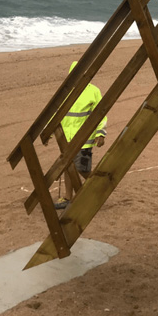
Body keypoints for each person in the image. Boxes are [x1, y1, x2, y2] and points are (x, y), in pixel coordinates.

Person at [55, 61, 107, 209]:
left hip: (84, 139)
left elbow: (101, 114)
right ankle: (67, 197)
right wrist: (49, 134)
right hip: (66, 139)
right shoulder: (66, 92)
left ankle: (98, 188)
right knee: (67, 167)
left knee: (82, 168)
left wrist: (101, 133)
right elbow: (55, 114)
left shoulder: (93, 92)